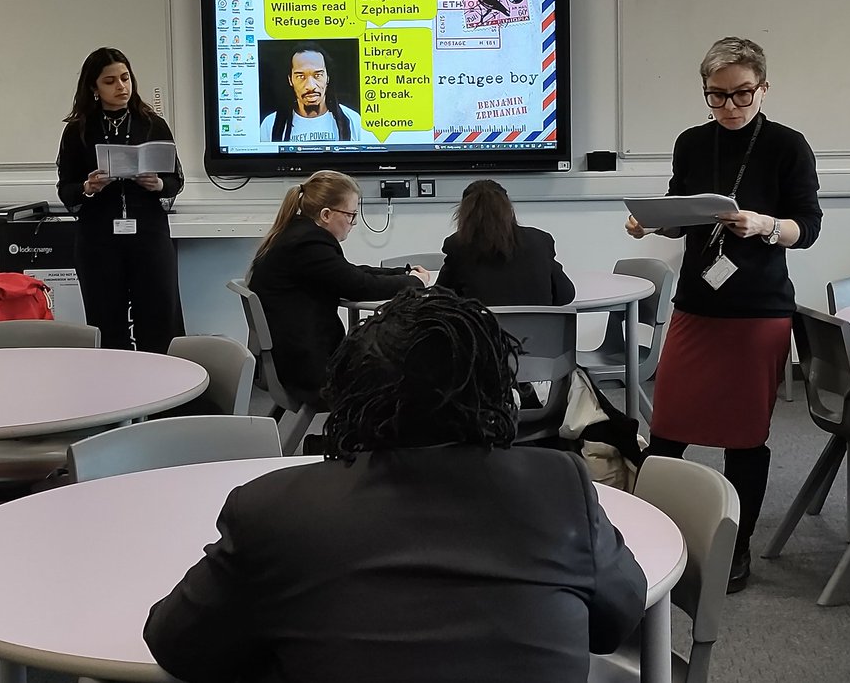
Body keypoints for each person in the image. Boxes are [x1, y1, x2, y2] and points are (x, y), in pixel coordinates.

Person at [144, 288, 646, 683]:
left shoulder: (274, 508)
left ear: (347, 399)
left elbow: (179, 647)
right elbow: (616, 620)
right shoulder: (560, 485)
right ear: (499, 393)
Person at [625, 36, 822, 593]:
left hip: (758, 309)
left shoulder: (788, 146)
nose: (730, 107)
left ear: (763, 87)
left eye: (742, 95)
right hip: (697, 303)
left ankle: (736, 550)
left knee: (743, 438)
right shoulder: (692, 142)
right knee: (666, 432)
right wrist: (652, 223)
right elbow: (683, 213)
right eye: (717, 96)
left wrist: (764, 226)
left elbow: (807, 227)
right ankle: (652, 538)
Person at [245, 170, 428, 404]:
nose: (353, 223)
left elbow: (349, 272)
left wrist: (403, 272)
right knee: (406, 369)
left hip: (293, 358)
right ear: (326, 215)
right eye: (351, 215)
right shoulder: (309, 244)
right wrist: (415, 282)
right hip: (310, 368)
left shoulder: (298, 234)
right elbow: (359, 286)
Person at [56, 47, 184, 353]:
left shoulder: (152, 124)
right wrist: (88, 187)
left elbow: (175, 180)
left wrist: (157, 184)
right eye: (110, 81)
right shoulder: (78, 131)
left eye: (126, 78)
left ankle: (166, 388)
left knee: (157, 316)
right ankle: (117, 388)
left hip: (148, 234)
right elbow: (65, 188)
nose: (122, 87)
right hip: (99, 238)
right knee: (106, 318)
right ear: (94, 88)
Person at [437, 179, 575, 306]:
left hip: (483, 332)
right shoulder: (540, 241)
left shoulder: (457, 246)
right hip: (536, 332)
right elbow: (565, 295)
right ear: (508, 208)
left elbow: (439, 301)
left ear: (464, 213)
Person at [258, 42, 373, 143]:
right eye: (300, 76)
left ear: (327, 77)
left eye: (317, 75)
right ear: (290, 80)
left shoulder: (353, 121)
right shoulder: (270, 125)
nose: (310, 86)